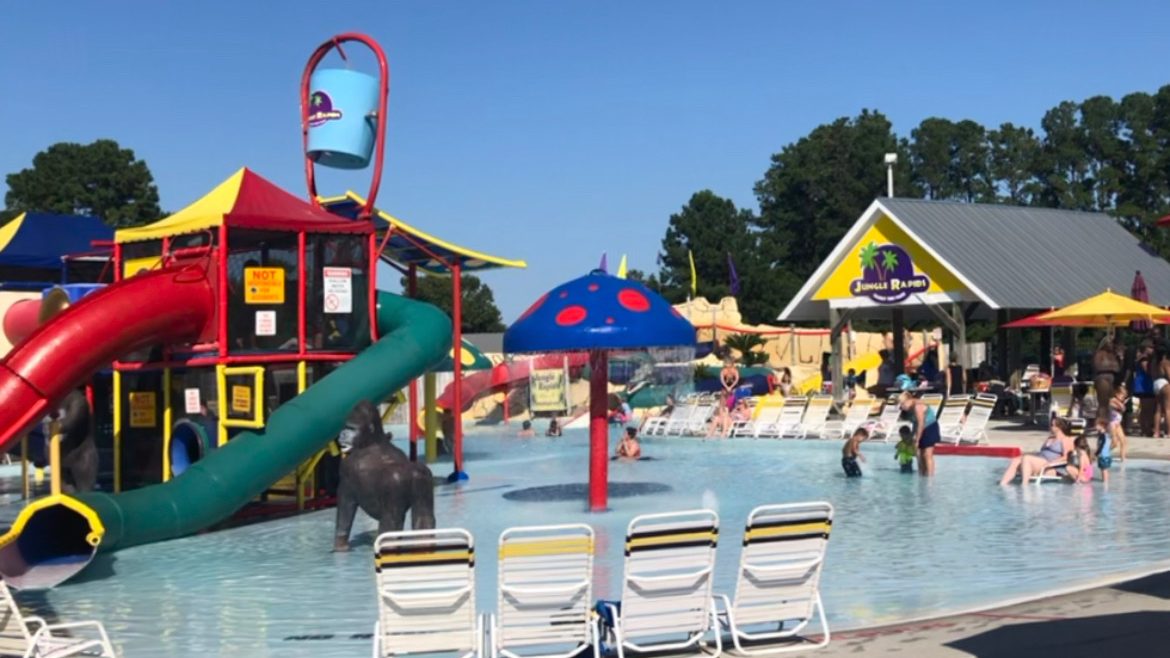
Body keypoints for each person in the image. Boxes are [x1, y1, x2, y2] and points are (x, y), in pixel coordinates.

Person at [999, 416, 1075, 485]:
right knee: (1016, 459)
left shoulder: (1066, 440)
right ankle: (1003, 484)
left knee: (1026, 458)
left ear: (1059, 427)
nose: (1050, 427)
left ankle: (1024, 485)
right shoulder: (1050, 438)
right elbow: (1042, 453)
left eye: (1052, 425)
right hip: (1040, 463)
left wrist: (1050, 463)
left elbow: (1067, 457)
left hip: (1051, 467)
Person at [900, 391, 940, 476]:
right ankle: (922, 475)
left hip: (930, 427)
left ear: (908, 401)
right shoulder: (909, 409)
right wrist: (912, 436)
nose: (901, 407)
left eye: (902, 405)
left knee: (927, 454)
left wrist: (917, 439)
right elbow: (915, 424)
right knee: (919, 454)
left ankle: (929, 477)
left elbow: (921, 423)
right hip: (920, 428)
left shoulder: (918, 406)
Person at [1109, 382, 1128, 462]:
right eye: (1122, 395)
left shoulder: (1120, 402)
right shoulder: (1112, 400)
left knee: (1123, 441)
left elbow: (1123, 409)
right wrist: (1120, 404)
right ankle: (1101, 453)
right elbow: (1119, 407)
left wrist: (1122, 404)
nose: (1123, 398)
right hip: (1112, 423)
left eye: (1124, 396)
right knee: (1114, 443)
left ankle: (1123, 458)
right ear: (1116, 394)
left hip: (1117, 423)